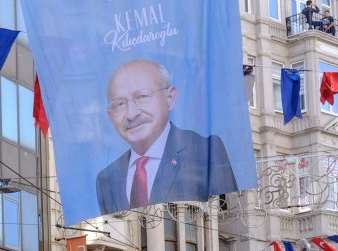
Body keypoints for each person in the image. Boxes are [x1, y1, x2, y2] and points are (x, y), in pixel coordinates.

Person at [94, 60, 238, 214]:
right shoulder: (106, 179)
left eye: (142, 96)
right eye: (120, 104)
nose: (131, 114)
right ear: (110, 116)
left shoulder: (205, 151)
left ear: (170, 98)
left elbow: (228, 219)